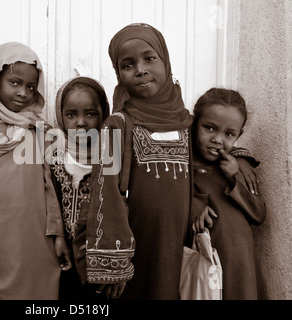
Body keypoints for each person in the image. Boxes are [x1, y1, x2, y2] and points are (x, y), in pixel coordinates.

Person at [85, 23, 259, 300]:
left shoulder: (185, 123)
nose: (140, 69)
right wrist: (114, 263)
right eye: (127, 64)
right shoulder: (116, 126)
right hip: (140, 245)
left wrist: (241, 158)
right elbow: (106, 194)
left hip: (180, 246)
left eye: (149, 58)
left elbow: (211, 148)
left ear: (166, 61)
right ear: (118, 74)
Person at [0, 42, 70, 300]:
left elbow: (49, 189)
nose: (23, 93)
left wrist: (59, 235)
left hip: (37, 241)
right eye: (14, 83)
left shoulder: (39, 132)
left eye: (31, 87)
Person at [190, 88, 266, 300]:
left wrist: (234, 178)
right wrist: (193, 206)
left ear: (239, 136)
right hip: (207, 261)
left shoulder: (233, 168)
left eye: (228, 134)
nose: (217, 139)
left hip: (240, 261)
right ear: (195, 124)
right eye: (210, 128)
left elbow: (259, 214)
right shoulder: (183, 167)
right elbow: (170, 201)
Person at [50, 76, 114, 299]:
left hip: (99, 257)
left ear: (103, 115)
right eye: (71, 114)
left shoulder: (109, 160)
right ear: (61, 117)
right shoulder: (55, 160)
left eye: (90, 114)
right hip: (62, 255)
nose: (80, 122)